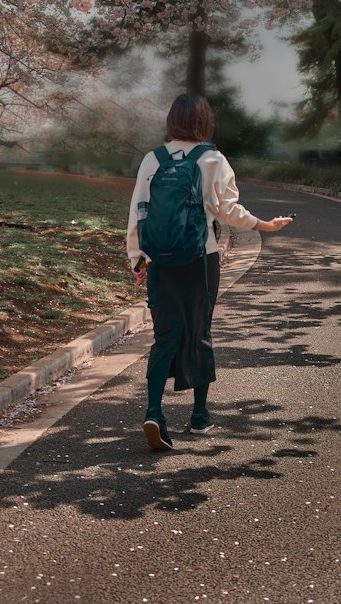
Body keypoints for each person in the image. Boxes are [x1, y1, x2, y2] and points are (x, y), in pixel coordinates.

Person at [126, 91, 293, 451]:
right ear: (204, 122)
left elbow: (139, 210)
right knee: (199, 331)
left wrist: (138, 259)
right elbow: (228, 211)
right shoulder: (213, 159)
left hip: (160, 261)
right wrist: (264, 225)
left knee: (164, 336)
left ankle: (154, 410)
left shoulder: (151, 160)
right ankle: (199, 416)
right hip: (199, 258)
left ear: (172, 120)